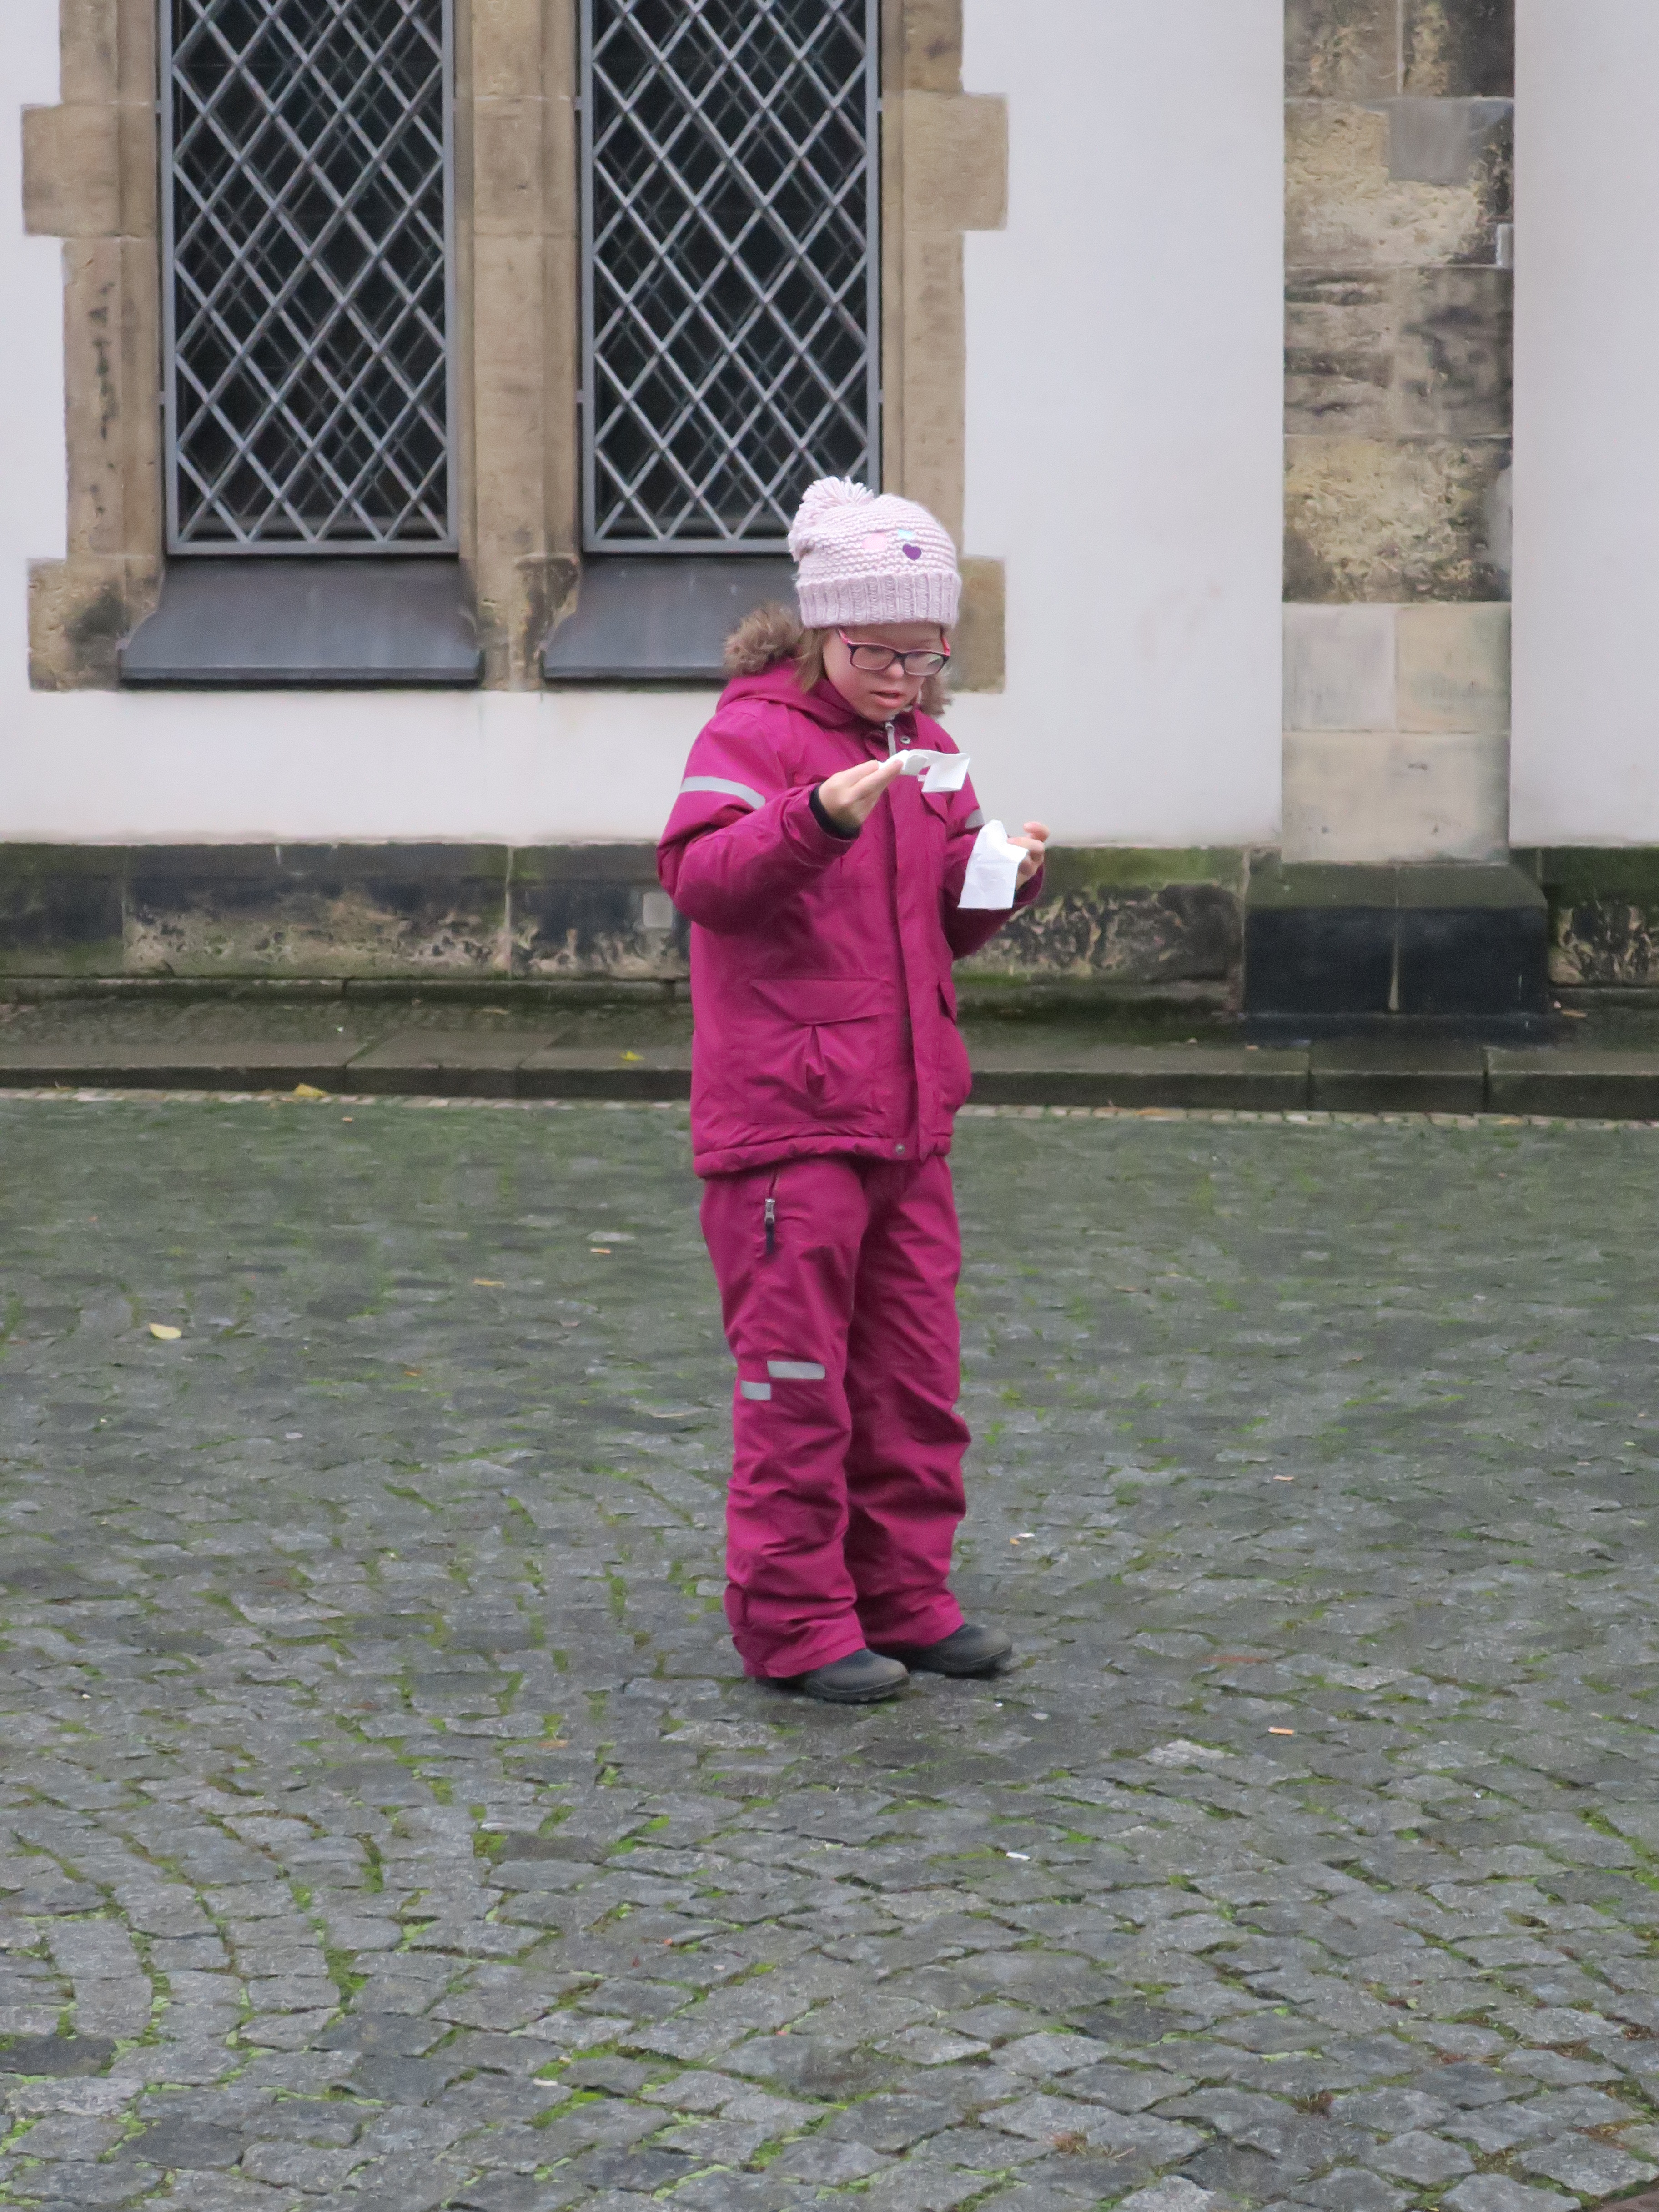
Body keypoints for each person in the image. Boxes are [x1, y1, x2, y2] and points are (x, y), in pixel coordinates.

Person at [656, 478, 1050, 1704]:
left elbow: (941, 927)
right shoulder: (753, 736)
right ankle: (795, 1621)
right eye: (879, 654)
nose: (902, 679)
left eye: (924, 656)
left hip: (907, 1120)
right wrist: (815, 819)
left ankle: (905, 1598)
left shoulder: (927, 748)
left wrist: (1003, 878)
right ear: (826, 631)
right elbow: (699, 878)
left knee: (914, 1379)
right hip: (788, 1125)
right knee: (797, 1386)